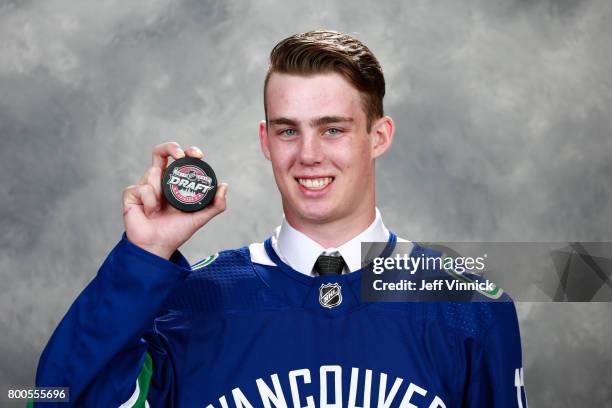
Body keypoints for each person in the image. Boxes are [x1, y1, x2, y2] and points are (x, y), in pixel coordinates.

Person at [33, 30, 527, 407]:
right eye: (289, 131)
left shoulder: (468, 306)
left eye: (332, 129)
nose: (308, 155)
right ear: (266, 141)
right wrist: (144, 256)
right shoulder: (184, 301)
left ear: (379, 136)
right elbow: (55, 399)